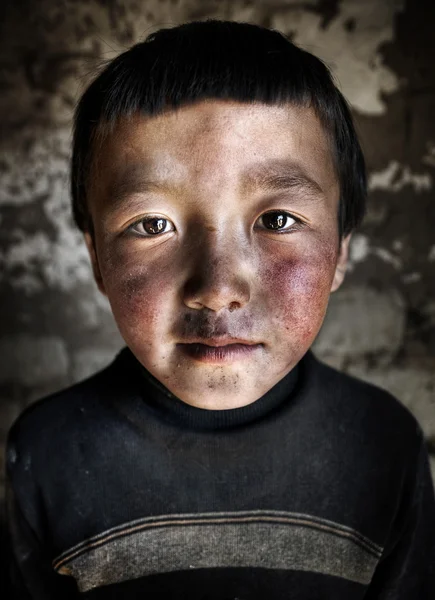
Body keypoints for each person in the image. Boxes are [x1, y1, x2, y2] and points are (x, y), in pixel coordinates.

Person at [5, 19, 435, 599]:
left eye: (278, 220)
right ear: (97, 260)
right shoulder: (45, 455)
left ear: (340, 253)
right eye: (152, 224)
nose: (217, 288)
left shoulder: (386, 446)